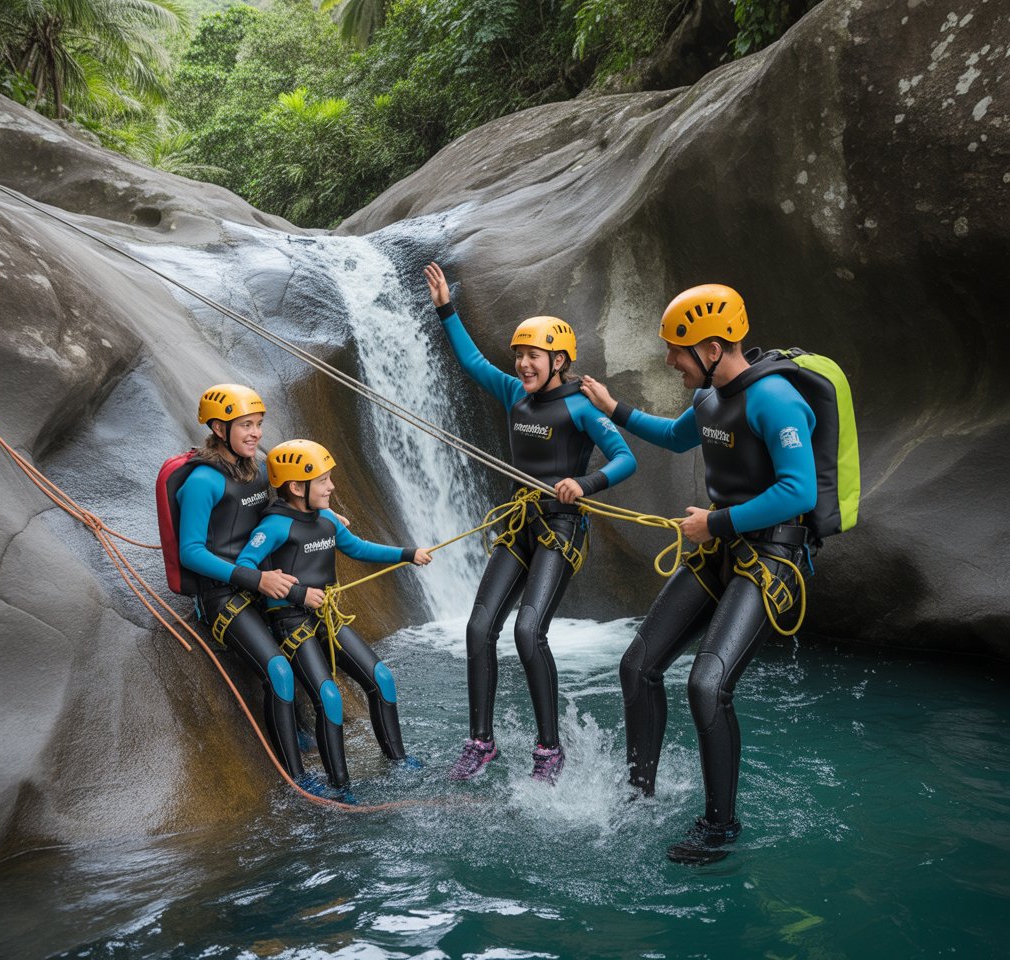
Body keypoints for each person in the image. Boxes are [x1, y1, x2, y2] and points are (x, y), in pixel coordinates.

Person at [581, 284, 817, 864]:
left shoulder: (775, 399)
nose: (670, 360)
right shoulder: (709, 398)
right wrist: (614, 409)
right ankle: (638, 794)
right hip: (722, 548)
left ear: (713, 346)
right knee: (637, 666)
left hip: (772, 558)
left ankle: (720, 827)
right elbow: (675, 435)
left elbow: (799, 491)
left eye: (677, 349)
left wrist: (717, 521)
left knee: (708, 684)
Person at [424, 261, 637, 784]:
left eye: (533, 355)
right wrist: (446, 309)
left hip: (561, 530)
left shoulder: (582, 407)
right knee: (479, 628)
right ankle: (480, 742)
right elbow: (472, 362)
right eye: (519, 354)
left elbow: (624, 458)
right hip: (519, 525)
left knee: (527, 630)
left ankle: (549, 749)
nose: (522, 363)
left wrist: (583, 485)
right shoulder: (513, 394)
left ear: (559, 360)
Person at [236, 439, 432, 795]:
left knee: (381, 678)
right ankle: (341, 786)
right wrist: (297, 593)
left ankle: (399, 761)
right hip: (292, 623)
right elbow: (246, 566)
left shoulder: (325, 519)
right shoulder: (275, 527)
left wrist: (408, 553)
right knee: (329, 696)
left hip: (328, 617)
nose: (332, 487)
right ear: (297, 487)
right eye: (324, 481)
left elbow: (357, 547)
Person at [177, 383, 322, 794]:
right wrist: (255, 579)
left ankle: (303, 729)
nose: (256, 433)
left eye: (258, 424)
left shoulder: (257, 468)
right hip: (222, 592)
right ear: (220, 430)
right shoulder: (204, 482)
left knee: (301, 647)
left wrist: (322, 518)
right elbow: (191, 552)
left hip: (262, 581)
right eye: (245, 425)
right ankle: (297, 779)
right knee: (277, 668)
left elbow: (279, 513)